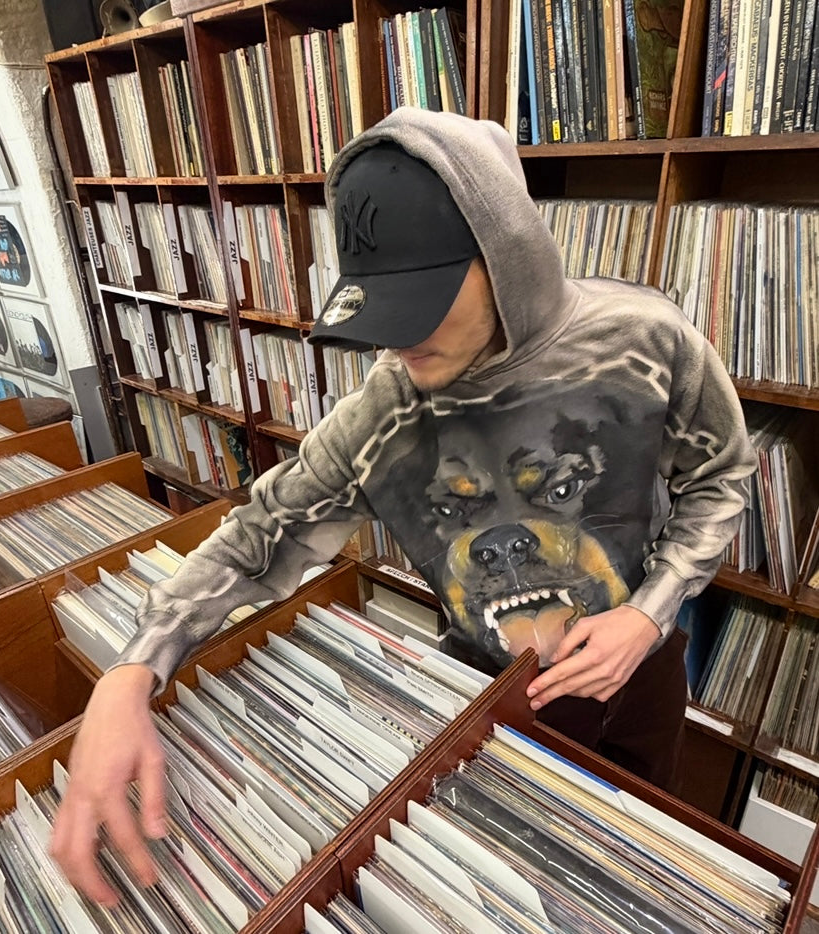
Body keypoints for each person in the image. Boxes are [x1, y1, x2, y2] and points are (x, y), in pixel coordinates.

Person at [51, 107, 756, 903]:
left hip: (641, 674)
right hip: (482, 700)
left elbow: (721, 477)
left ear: (504, 258)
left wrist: (649, 613)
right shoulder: (384, 415)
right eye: (382, 307)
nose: (395, 341)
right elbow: (260, 536)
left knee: (641, 875)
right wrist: (131, 671)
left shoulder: (647, 341)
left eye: (423, 299)